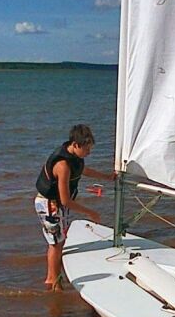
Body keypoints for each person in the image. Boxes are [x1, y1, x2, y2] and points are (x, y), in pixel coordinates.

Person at [34, 124, 115, 291]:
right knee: (55, 244)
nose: (89, 153)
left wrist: (107, 177)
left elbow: (83, 170)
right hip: (50, 205)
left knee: (59, 241)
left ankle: (53, 277)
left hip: (58, 205)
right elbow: (64, 201)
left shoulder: (74, 157)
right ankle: (53, 281)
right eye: (87, 149)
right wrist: (91, 213)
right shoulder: (62, 166)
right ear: (76, 145)